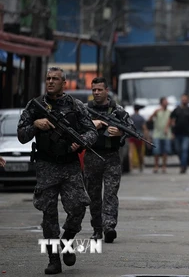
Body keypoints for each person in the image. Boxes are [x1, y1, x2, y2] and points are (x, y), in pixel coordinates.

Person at [17, 67, 97, 274]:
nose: (51, 82)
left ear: (64, 83)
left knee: (79, 206)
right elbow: (22, 135)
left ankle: (67, 240)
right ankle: (54, 260)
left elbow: (91, 131)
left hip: (70, 166)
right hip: (46, 166)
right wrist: (36, 125)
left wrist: (80, 143)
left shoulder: (76, 106)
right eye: (48, 78)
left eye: (55, 79)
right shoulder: (35, 106)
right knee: (49, 215)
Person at [83, 77, 133, 243]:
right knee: (94, 195)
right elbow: (75, 127)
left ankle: (109, 226)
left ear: (107, 91)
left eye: (99, 90)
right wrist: (93, 124)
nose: (96, 93)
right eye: (94, 90)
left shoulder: (117, 109)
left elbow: (131, 128)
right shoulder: (85, 109)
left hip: (111, 157)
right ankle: (97, 229)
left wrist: (120, 133)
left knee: (111, 194)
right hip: (92, 155)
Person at [168, 94, 189, 174]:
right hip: (177, 133)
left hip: (187, 134)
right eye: (183, 99)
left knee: (185, 149)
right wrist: (169, 130)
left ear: (188, 100)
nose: (184, 101)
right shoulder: (176, 110)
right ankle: (183, 163)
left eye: (186, 99)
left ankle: (183, 166)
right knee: (178, 150)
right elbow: (171, 120)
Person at [148, 97, 172, 173]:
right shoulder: (157, 111)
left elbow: (171, 122)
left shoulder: (169, 112)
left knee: (165, 151)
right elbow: (149, 120)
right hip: (157, 134)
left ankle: (164, 166)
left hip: (166, 134)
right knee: (156, 151)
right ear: (161, 103)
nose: (166, 103)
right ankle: (156, 166)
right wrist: (154, 114)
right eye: (165, 101)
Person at [129, 103, 149, 172]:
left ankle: (130, 166)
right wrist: (147, 138)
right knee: (140, 152)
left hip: (131, 135)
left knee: (131, 152)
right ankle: (141, 165)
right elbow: (145, 128)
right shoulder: (141, 118)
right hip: (139, 136)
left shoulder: (131, 117)